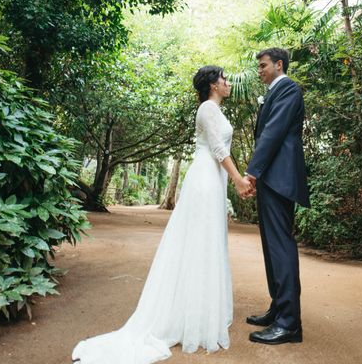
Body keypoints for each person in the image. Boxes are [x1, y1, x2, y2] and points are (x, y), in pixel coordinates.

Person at [71, 66, 254, 364]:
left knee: (209, 244)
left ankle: (198, 313)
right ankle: (186, 318)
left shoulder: (217, 111)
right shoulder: (207, 109)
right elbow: (219, 149)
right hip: (205, 180)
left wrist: (234, 182)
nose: (228, 82)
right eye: (223, 79)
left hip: (214, 181)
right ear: (212, 85)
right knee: (198, 243)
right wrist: (238, 180)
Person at [244, 47, 310, 345]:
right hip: (273, 176)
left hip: (279, 176)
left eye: (263, 66)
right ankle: (278, 308)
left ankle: (289, 324)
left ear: (279, 65)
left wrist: (252, 172)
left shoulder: (289, 90)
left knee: (280, 246)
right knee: (272, 247)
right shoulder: (276, 90)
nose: (259, 71)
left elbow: (272, 132)